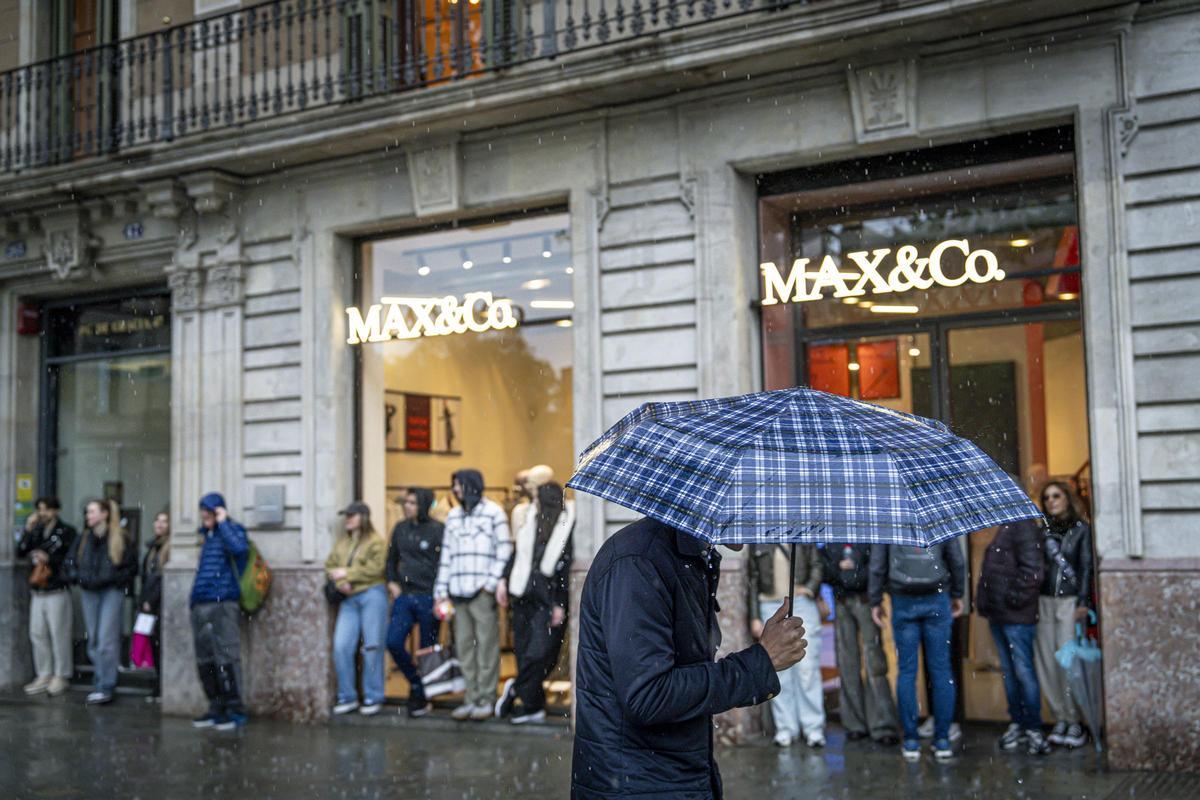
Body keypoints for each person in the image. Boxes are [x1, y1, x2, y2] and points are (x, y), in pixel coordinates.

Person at [571, 518, 808, 799]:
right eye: (747, 504)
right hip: (636, 785)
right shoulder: (638, 561)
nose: (758, 518)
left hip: (671, 776)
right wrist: (761, 661)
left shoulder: (689, 555)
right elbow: (648, 695)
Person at [869, 541, 966, 762]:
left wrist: (875, 599)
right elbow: (957, 560)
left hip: (902, 598)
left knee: (906, 671)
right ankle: (942, 740)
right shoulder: (938, 511)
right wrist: (958, 593)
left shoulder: (892, 513)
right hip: (937, 596)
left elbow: (877, 564)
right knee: (941, 670)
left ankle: (911, 741)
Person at [433, 469, 513, 721]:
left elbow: (505, 549)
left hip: (481, 592)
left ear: (472, 485)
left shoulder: (494, 513)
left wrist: (490, 584)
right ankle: (471, 697)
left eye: (459, 485)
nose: (455, 490)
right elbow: (446, 555)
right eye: (454, 485)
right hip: (457, 592)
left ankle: (487, 698)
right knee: (464, 649)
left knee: (486, 648)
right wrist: (441, 591)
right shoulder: (453, 517)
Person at [497, 481, 574, 725]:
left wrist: (560, 602)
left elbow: (566, 566)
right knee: (523, 651)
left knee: (542, 653)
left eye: (538, 499)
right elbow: (517, 554)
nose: (534, 503)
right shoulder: (530, 521)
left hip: (547, 599)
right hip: (522, 596)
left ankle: (516, 688)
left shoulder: (566, 525)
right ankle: (532, 705)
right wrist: (503, 579)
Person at [977, 517, 1049, 755]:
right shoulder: (1007, 526)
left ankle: (1033, 727)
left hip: (1016, 616)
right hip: (1001, 614)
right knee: (1010, 672)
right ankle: (1018, 722)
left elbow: (1033, 572)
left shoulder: (1024, 526)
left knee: (1023, 671)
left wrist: (1012, 600)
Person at [819, 543, 899, 745]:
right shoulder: (832, 536)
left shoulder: (869, 530)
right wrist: (839, 570)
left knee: (875, 664)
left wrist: (855, 572)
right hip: (842, 602)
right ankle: (854, 724)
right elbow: (823, 568)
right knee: (847, 664)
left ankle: (883, 724)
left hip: (867, 600)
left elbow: (879, 567)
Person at [749, 543, 826, 747]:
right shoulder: (759, 539)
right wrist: (754, 616)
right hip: (768, 604)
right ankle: (785, 728)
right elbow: (753, 578)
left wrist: (809, 588)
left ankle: (813, 727)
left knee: (807, 668)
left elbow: (817, 564)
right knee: (779, 668)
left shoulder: (803, 535)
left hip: (801, 602)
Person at [1035, 481, 1094, 749]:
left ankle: (1075, 720)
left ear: (1067, 498)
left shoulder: (1082, 531)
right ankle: (1060, 716)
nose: (1051, 501)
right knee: (1046, 661)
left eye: (1056, 496)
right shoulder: (1042, 532)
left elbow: (1086, 568)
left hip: (1069, 602)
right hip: (1044, 601)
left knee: (1068, 662)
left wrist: (1083, 602)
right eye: (1047, 497)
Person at [65, 498, 137, 705]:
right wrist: (78, 577)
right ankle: (101, 679)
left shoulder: (119, 538)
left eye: (92, 512)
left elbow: (131, 567)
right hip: (89, 592)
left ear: (104, 514)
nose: (88, 516)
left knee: (107, 640)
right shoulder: (83, 539)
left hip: (110, 592)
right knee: (94, 640)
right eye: (87, 512)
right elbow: (70, 562)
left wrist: (114, 579)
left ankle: (105, 684)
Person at [190, 492, 249, 731]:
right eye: (203, 513)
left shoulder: (233, 530)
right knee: (205, 659)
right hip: (200, 604)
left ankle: (234, 710)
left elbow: (240, 549)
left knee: (227, 657)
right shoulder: (204, 536)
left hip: (223, 602)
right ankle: (215, 707)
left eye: (209, 512)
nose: (204, 517)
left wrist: (223, 522)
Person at [386, 488, 444, 718]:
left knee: (426, 650)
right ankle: (417, 682)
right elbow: (391, 559)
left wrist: (441, 593)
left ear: (422, 504)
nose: (406, 506)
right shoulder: (400, 528)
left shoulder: (438, 529)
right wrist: (392, 581)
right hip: (405, 596)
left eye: (412, 502)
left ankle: (422, 695)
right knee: (393, 642)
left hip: (429, 596)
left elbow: (444, 563)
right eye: (405, 502)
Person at [327, 501, 389, 716]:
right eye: (346, 516)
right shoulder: (342, 543)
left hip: (372, 595)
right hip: (349, 598)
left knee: (372, 646)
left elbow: (377, 568)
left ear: (363, 517)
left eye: (352, 516)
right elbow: (330, 566)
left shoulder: (376, 542)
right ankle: (348, 696)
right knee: (341, 646)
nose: (348, 520)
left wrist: (347, 574)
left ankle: (373, 695)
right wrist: (339, 582)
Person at [17, 496, 77, 697]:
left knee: (58, 633)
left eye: (47, 509)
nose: (43, 513)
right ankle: (44, 673)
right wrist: (27, 528)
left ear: (56, 510)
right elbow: (20, 550)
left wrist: (49, 558)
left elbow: (71, 559)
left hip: (56, 589)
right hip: (38, 589)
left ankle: (61, 674)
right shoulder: (36, 530)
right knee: (37, 633)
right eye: (40, 509)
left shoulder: (67, 531)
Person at [137, 511, 170, 685]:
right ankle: (157, 680)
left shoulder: (169, 547)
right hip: (149, 602)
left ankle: (162, 682)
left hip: (160, 603)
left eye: (165, 521)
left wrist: (151, 600)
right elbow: (147, 577)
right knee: (152, 643)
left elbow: (161, 578)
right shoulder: (152, 547)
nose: (160, 524)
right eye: (157, 520)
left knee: (160, 643)